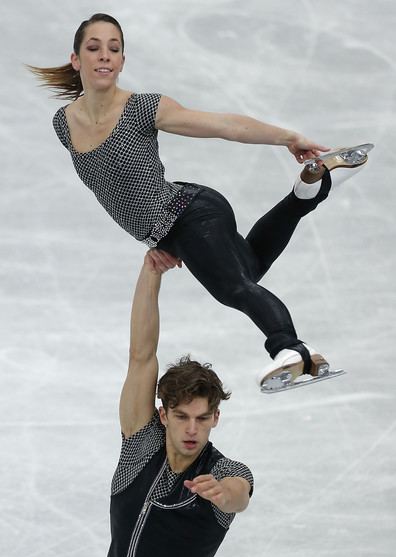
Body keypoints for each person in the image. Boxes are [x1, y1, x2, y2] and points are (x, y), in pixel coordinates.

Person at [28, 13, 373, 389]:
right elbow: (110, 185)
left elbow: (224, 126)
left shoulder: (142, 108)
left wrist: (288, 136)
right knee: (249, 270)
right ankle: (309, 191)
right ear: (76, 59)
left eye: (114, 49)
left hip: (190, 216)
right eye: (94, 48)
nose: (105, 56)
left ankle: (291, 350)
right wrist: (156, 241)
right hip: (177, 227)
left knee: (234, 288)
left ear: (123, 61)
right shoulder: (64, 123)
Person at [89, 248, 253, 557]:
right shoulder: (141, 447)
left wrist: (224, 494)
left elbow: (239, 494)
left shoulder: (221, 472)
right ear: (163, 415)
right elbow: (141, 356)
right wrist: (151, 273)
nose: (192, 428)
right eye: (181, 416)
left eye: (202, 418)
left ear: (215, 418)